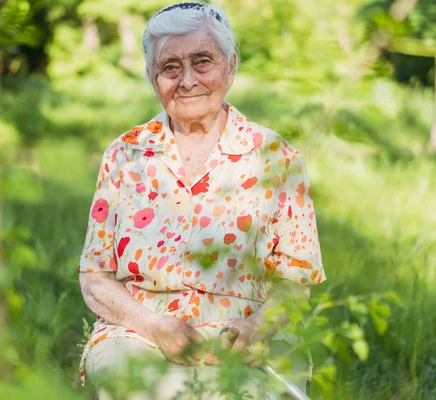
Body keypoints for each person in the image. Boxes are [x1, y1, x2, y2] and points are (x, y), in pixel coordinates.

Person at [78, 2, 326, 398]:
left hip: (247, 338)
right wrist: (153, 325)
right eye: (170, 67)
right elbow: (95, 278)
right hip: (141, 332)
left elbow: (296, 284)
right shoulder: (126, 154)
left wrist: (251, 330)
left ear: (230, 66)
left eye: (202, 61)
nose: (187, 80)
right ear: (151, 76)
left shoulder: (276, 158)